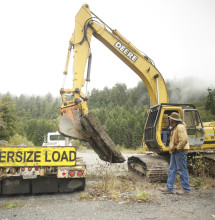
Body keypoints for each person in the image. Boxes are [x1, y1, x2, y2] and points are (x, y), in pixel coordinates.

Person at [160, 112, 191, 194]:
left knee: (182, 169)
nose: (169, 119)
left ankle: (186, 189)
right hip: (175, 151)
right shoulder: (175, 127)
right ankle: (169, 188)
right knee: (172, 169)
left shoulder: (180, 127)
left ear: (173, 119)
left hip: (179, 151)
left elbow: (184, 140)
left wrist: (178, 148)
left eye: (170, 118)